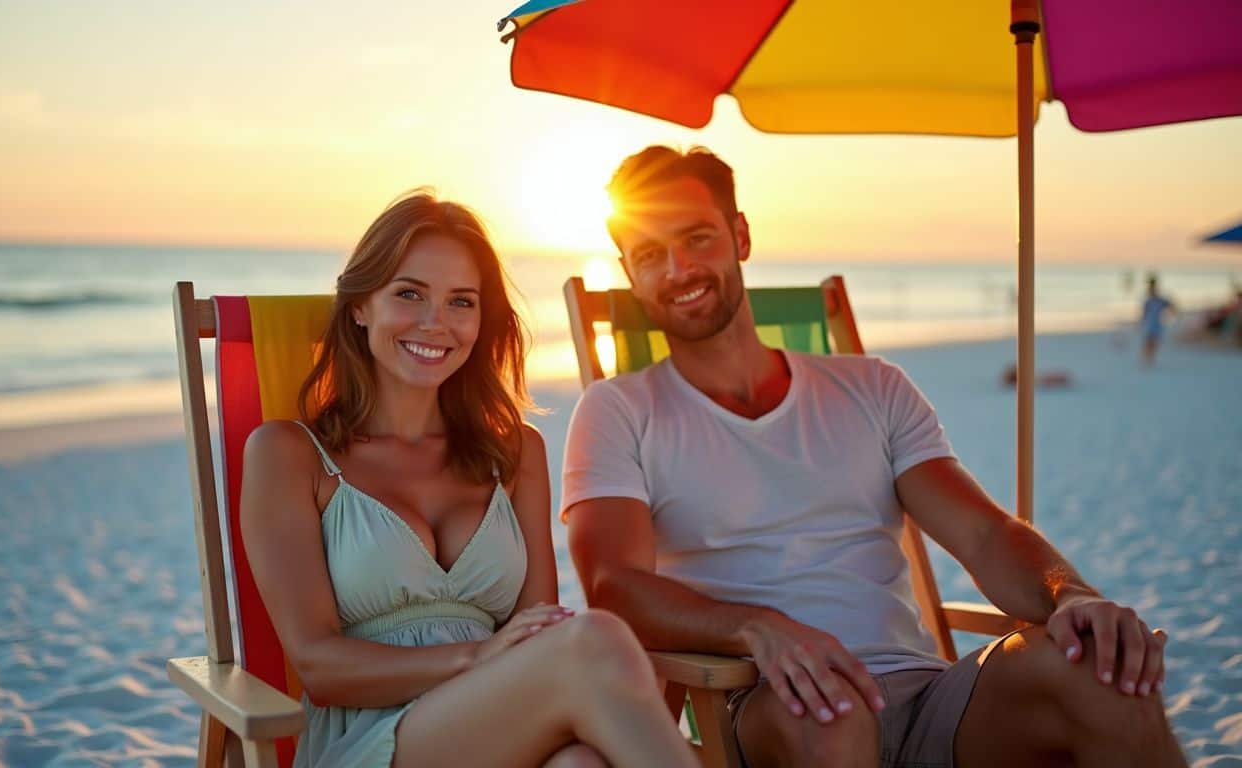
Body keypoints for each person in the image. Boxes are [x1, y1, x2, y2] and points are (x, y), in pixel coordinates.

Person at [563, 147, 1186, 767]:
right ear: (628, 270)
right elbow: (614, 586)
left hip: (928, 697)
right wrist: (757, 627)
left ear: (740, 235)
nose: (678, 269)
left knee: (1105, 674)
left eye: (698, 238)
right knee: (833, 715)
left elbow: (984, 533)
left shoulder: (872, 387)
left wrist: (1070, 594)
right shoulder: (620, 411)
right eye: (649, 255)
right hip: (777, 702)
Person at [241, 191, 699, 768]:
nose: (437, 323)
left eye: (462, 302)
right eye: (410, 293)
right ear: (360, 306)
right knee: (595, 639)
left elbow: (536, 632)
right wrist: (479, 657)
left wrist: (498, 664)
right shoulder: (289, 453)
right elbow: (319, 667)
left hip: (505, 728)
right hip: (372, 739)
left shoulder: (514, 455)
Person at [1141, 273, 1175, 366]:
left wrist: (1171, 315)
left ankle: (1149, 359)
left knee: (1152, 342)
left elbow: (1171, 306)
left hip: (1156, 324)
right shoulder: (1151, 300)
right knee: (1150, 341)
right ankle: (1148, 358)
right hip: (1152, 323)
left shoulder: (1158, 300)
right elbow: (1144, 312)